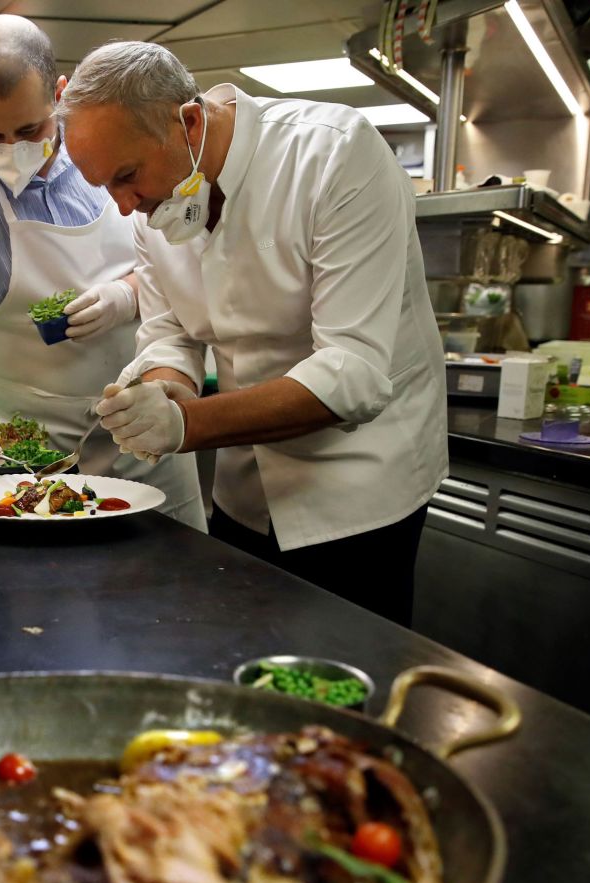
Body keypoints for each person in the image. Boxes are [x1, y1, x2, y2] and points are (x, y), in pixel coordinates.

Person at [56, 41, 447, 625]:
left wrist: (187, 424)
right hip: (243, 487)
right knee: (242, 656)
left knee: (341, 680)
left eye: (127, 177)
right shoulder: (157, 210)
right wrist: (164, 392)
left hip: (357, 486)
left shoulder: (334, 156)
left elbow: (352, 373)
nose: (124, 206)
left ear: (187, 122)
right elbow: (171, 335)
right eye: (105, 188)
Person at [0, 16, 204, 529]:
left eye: (31, 129)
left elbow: (183, 258)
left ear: (59, 93)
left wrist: (129, 294)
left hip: (146, 435)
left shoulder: (109, 149)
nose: (13, 148)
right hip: (21, 456)